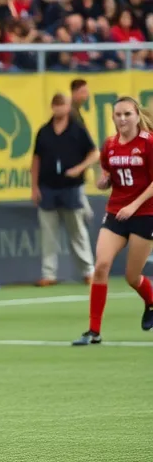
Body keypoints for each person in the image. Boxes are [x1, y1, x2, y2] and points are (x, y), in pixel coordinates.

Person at [73, 98, 153, 345]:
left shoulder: (148, 143)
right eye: (118, 114)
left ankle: (151, 301)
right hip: (117, 212)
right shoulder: (110, 144)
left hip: (144, 213)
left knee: (132, 276)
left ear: (137, 115)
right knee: (101, 265)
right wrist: (104, 180)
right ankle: (94, 331)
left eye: (127, 114)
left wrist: (134, 205)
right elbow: (108, 171)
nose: (122, 119)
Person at [32, 94, 97, 287]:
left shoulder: (77, 129)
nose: (59, 109)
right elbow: (36, 160)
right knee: (48, 233)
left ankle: (88, 271)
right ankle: (49, 273)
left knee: (77, 231)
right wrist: (34, 186)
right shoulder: (44, 131)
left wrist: (79, 168)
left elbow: (94, 153)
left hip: (71, 187)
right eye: (56, 105)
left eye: (63, 105)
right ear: (52, 107)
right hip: (48, 187)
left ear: (68, 108)